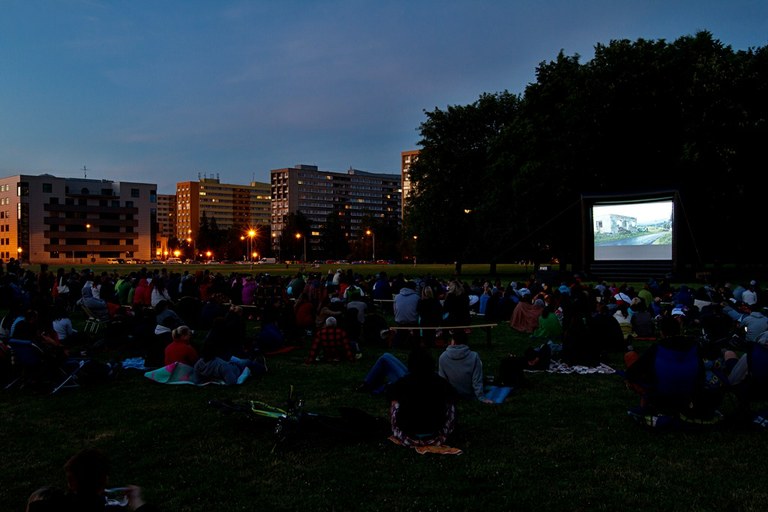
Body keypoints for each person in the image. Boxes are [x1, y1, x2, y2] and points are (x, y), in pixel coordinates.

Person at [35, 447, 160, 511]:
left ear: (71, 482)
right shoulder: (112, 510)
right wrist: (138, 503)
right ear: (105, 480)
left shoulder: (46, 506)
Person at [386, 346, 458, 447]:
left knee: (395, 401)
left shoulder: (403, 382)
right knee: (450, 403)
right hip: (435, 435)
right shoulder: (440, 382)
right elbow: (454, 396)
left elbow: (390, 395)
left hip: (408, 436)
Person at [437, 330, 493, 403]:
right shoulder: (474, 356)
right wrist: (481, 397)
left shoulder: (443, 357)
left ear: (453, 341)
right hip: (469, 394)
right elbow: (477, 380)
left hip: (452, 395)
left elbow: (442, 381)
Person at [392, 281, 420, 348]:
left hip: (400, 321)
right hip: (412, 322)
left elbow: (394, 310)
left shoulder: (397, 297)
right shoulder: (417, 297)